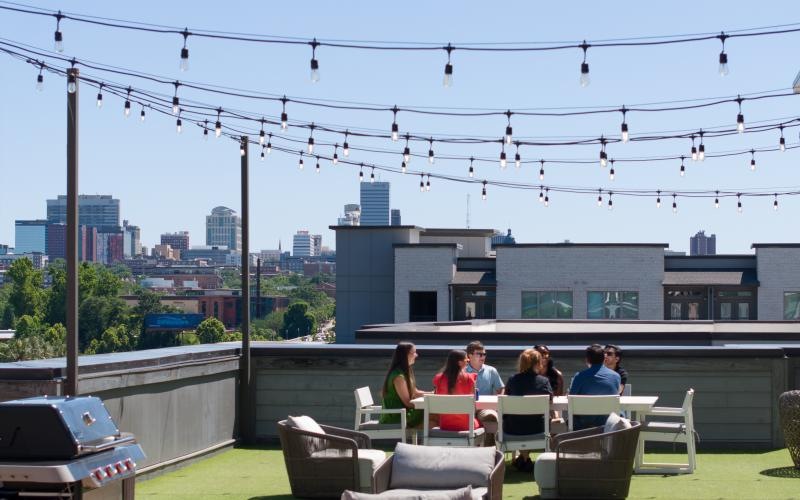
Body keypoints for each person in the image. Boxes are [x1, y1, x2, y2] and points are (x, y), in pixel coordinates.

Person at [504, 348, 553, 472]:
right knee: (542, 420)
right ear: (537, 363)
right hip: (537, 428)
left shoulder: (512, 380)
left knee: (516, 419)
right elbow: (550, 401)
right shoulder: (544, 381)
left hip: (513, 428)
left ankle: (524, 459)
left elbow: (506, 399)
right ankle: (525, 459)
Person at [568, 344, 621, 430]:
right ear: (604, 358)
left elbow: (571, 398)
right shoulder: (616, 376)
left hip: (583, 425)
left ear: (587, 360)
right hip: (608, 423)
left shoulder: (579, 376)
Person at [380, 342, 427, 428]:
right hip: (397, 417)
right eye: (414, 352)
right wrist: (427, 405)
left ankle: (416, 439)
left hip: (404, 413)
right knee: (433, 415)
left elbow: (415, 392)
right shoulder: (399, 377)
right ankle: (413, 438)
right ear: (405, 355)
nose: (416, 355)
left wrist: (434, 393)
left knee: (433, 416)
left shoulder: (405, 372)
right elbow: (408, 403)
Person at [465, 341, 504, 445]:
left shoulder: (491, 370)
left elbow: (501, 389)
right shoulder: (462, 371)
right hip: (465, 408)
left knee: (491, 416)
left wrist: (498, 403)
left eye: (484, 354)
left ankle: (489, 450)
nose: (483, 357)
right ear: (469, 356)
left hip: (485, 408)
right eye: (479, 354)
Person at [432, 349, 481, 431]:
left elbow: (437, 397)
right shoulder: (470, 378)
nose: (468, 361)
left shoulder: (439, 378)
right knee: (485, 422)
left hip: (445, 425)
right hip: (466, 425)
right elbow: (473, 404)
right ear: (460, 363)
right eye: (466, 359)